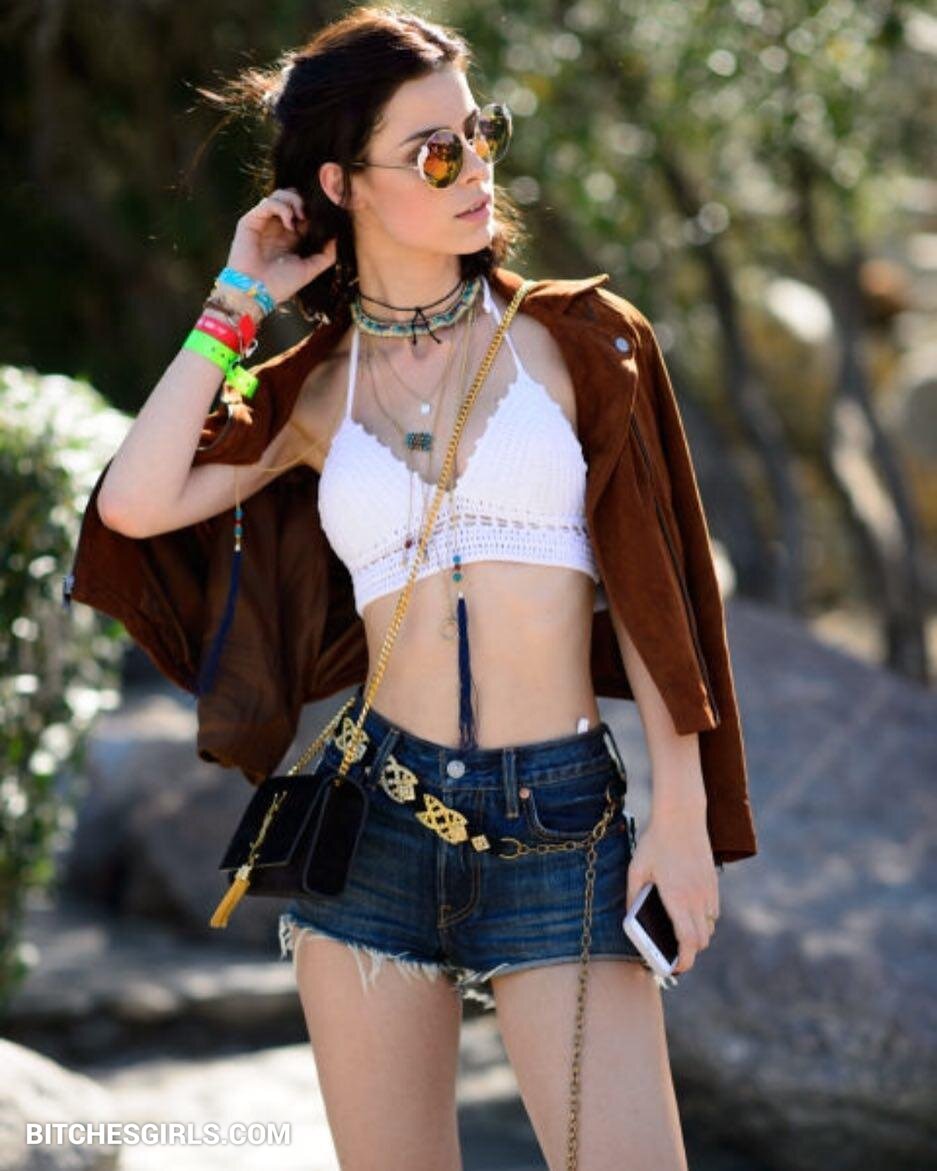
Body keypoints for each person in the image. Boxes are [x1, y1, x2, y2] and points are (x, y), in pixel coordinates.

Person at [79, 6, 758, 1169]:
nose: (476, 166)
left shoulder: (579, 342)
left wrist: (681, 817)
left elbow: (659, 599)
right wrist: (237, 296)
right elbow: (134, 505)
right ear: (341, 183)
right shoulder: (315, 391)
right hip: (373, 820)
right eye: (436, 152)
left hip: (559, 822)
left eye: (480, 133)